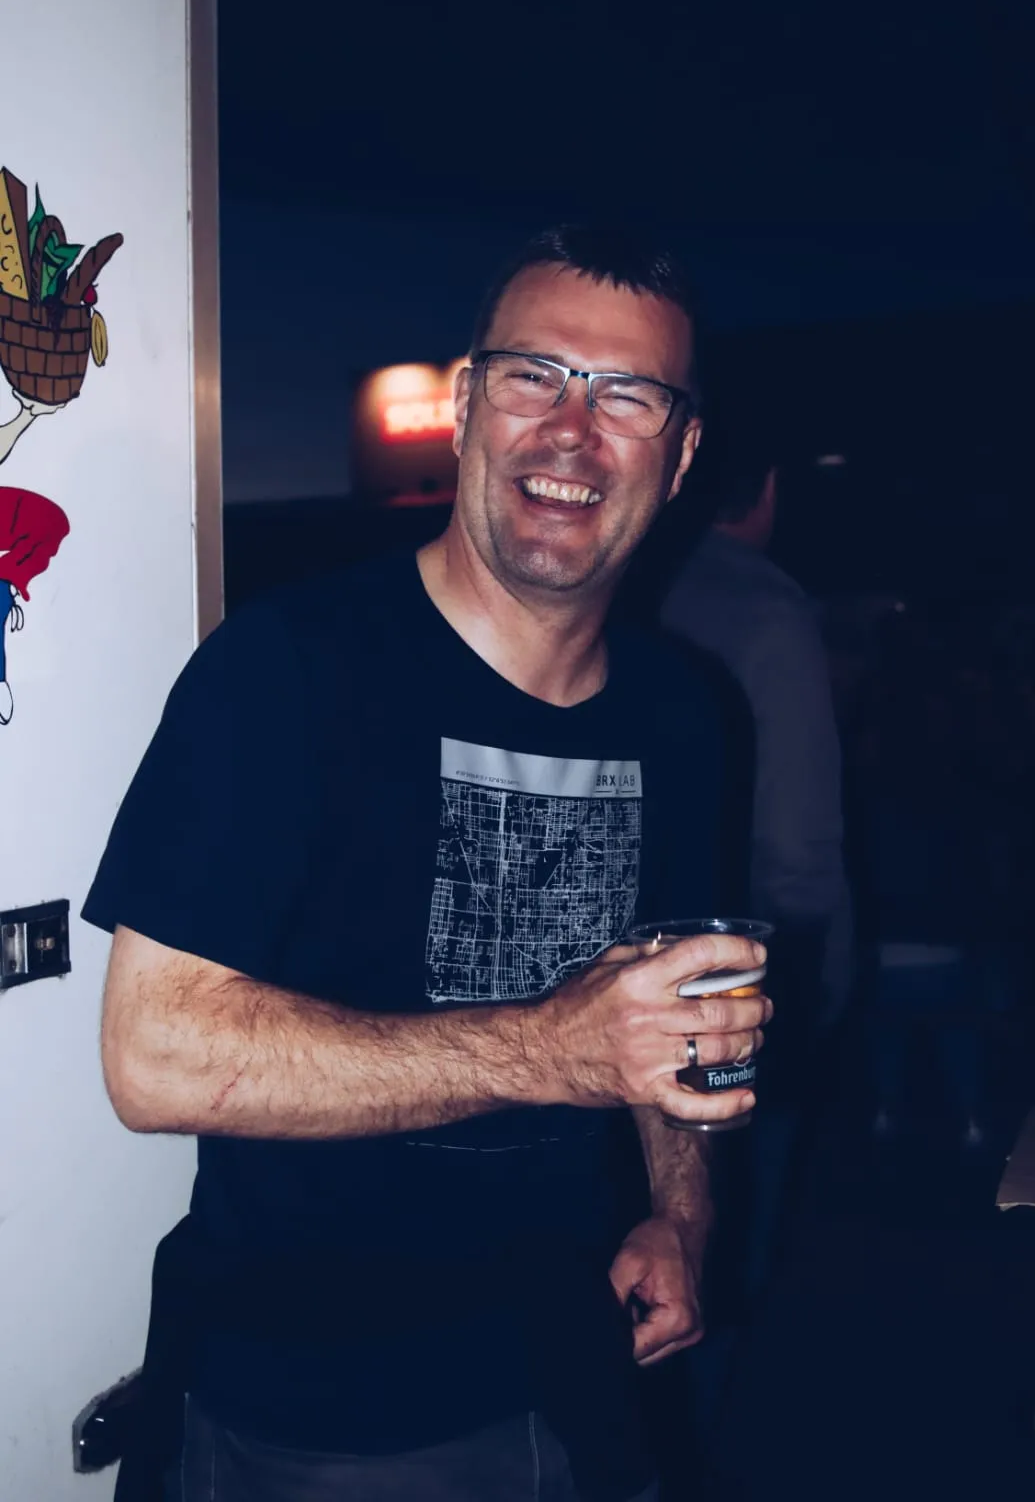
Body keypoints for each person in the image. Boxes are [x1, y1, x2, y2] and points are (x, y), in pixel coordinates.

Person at [83, 225, 772, 1502]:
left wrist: (681, 1212)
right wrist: (549, 1049)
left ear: (680, 456)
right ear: (464, 410)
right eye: (533, 376)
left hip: (588, 1368)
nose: (570, 430)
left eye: (626, 395)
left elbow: (669, 1017)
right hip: (318, 1413)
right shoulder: (285, 670)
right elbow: (152, 1055)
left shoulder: (687, 715)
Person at [657, 441, 850, 1477]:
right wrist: (819, 987)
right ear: (767, 493)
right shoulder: (770, 612)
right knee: (722, 1252)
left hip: (623, 975)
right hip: (741, 980)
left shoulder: (633, 584)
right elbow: (800, 843)